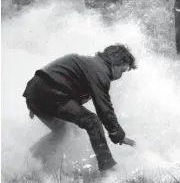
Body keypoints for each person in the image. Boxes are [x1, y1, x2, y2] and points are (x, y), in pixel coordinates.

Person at [23, 44, 137, 172]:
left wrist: (35, 96)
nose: (119, 77)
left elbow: (51, 74)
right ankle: (108, 169)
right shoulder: (100, 71)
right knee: (92, 122)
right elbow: (104, 108)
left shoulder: (89, 63)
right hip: (47, 93)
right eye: (121, 71)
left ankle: (29, 160)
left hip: (35, 91)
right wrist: (118, 135)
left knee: (64, 131)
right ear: (115, 62)